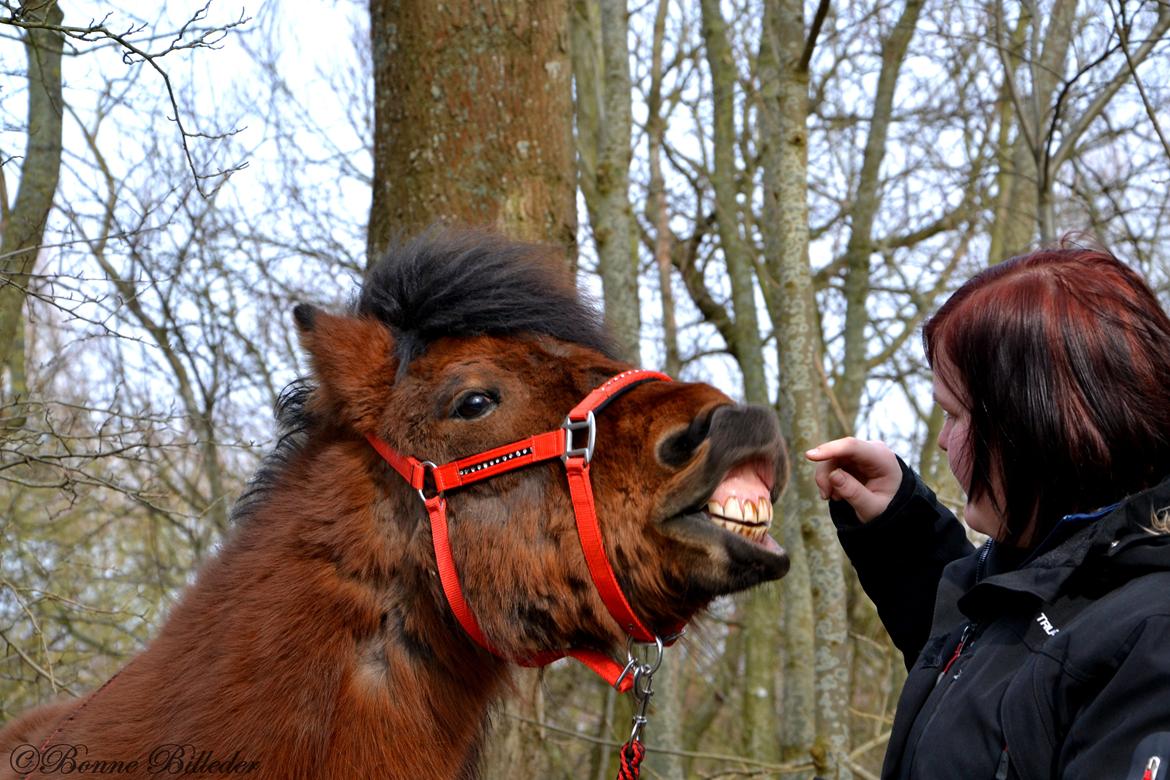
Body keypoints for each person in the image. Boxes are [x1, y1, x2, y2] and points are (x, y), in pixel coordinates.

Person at [807, 245, 1170, 779]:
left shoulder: (1152, 646)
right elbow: (999, 673)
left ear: (1033, 428)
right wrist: (899, 526)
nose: (941, 442)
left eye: (954, 415)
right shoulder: (1055, 580)